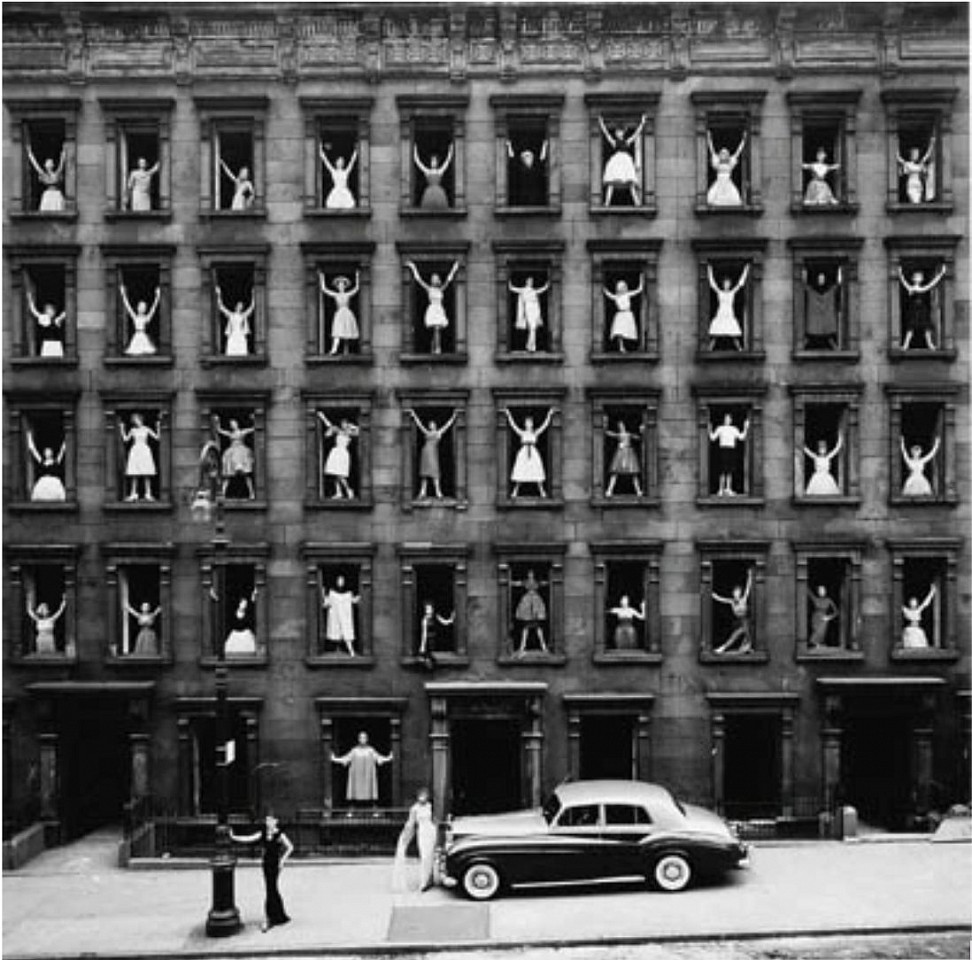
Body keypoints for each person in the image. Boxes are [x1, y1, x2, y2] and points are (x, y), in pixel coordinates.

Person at [229, 813, 293, 932]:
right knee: (272, 889)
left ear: (276, 821)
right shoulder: (263, 833)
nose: (268, 822)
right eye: (267, 820)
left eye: (270, 820)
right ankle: (278, 915)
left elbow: (290, 847)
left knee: (271, 889)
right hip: (266, 864)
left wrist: (282, 861)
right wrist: (234, 837)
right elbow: (249, 838)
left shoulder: (279, 834)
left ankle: (269, 918)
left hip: (275, 865)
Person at [406, 261, 459, 355]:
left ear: (438, 280)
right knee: (436, 329)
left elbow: (449, 279)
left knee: (437, 329)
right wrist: (413, 267)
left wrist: (454, 268)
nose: (433, 280)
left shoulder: (441, 289)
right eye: (432, 278)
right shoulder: (429, 289)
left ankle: (435, 347)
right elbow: (419, 280)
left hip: (439, 309)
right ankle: (436, 348)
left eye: (435, 278)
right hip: (433, 309)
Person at [331, 731, 393, 809]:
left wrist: (388, 758)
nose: (362, 739)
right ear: (358, 739)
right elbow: (345, 759)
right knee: (354, 790)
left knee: (370, 790)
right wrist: (335, 759)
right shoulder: (354, 750)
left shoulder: (371, 750)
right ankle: (352, 807)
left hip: (368, 777)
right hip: (357, 777)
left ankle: (373, 806)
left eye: (364, 737)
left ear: (367, 739)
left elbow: (379, 759)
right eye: (361, 737)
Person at [393, 788, 437, 893]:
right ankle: (423, 882)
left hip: (431, 830)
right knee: (424, 856)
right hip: (422, 832)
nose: (423, 797)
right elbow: (410, 823)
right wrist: (405, 835)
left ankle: (429, 879)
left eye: (425, 795)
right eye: (421, 795)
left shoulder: (430, 806)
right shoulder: (414, 809)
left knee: (431, 855)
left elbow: (434, 819)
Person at [407, 408, 457, 499]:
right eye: (430, 424)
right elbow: (420, 425)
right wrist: (414, 415)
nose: (431, 425)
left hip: (433, 453)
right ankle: (423, 492)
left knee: (434, 472)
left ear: (435, 426)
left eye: (433, 424)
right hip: (425, 453)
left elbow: (447, 425)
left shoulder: (438, 433)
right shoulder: (427, 432)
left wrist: (454, 416)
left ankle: (438, 492)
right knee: (424, 473)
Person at [505, 407, 555, 498]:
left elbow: (544, 426)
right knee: (520, 471)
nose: (528, 424)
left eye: (530, 422)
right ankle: (515, 491)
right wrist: (508, 415)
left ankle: (542, 491)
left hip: (533, 453)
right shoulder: (522, 433)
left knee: (536, 470)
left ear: (532, 424)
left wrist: (549, 415)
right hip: (524, 453)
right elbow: (513, 426)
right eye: (527, 422)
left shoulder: (535, 433)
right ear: (525, 424)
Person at [598, 114, 646, 205]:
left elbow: (636, 134)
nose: (619, 134)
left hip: (625, 161)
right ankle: (607, 202)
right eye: (618, 132)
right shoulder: (615, 142)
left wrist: (642, 123)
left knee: (630, 182)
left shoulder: (626, 142)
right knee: (611, 181)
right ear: (616, 134)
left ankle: (637, 202)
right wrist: (601, 123)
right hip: (617, 161)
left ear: (623, 133)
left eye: (621, 132)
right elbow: (606, 134)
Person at [899, 265, 946, 350]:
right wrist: (900, 274)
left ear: (922, 279)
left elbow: (932, 284)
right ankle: (906, 345)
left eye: (920, 277)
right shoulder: (911, 288)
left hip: (922, 310)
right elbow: (904, 283)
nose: (918, 278)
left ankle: (930, 344)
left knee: (926, 328)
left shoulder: (921, 288)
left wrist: (941, 274)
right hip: (913, 310)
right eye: (916, 277)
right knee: (910, 328)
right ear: (913, 278)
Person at [119, 412, 160, 502]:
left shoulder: (146, 429)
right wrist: (122, 429)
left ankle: (148, 493)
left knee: (146, 472)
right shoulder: (133, 430)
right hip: (135, 450)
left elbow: (157, 437)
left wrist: (158, 427)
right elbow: (126, 439)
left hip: (144, 450)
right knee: (135, 473)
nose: (136, 422)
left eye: (137, 420)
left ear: (140, 420)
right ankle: (133, 493)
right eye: (134, 421)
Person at [707, 263, 749, 351]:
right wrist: (709, 269)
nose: (726, 285)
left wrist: (746, 270)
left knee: (733, 334)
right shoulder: (719, 292)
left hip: (729, 313)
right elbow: (712, 283)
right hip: (721, 313)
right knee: (716, 334)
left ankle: (740, 349)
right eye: (725, 283)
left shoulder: (732, 293)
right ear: (723, 284)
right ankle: (709, 349)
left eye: (728, 283)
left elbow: (740, 283)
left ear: (730, 284)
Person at [318, 412, 358, 499]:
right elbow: (329, 425)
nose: (343, 425)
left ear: (347, 424)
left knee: (341, 475)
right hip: (336, 452)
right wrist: (323, 417)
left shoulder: (349, 432)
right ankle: (338, 492)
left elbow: (359, 431)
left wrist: (352, 426)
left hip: (343, 453)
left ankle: (349, 489)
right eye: (342, 423)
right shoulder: (338, 430)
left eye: (345, 423)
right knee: (335, 473)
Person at [712, 570, 753, 654]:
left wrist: (750, 576)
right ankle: (725, 648)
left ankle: (724, 648)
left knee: (742, 633)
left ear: (740, 594)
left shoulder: (743, 599)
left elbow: (748, 587)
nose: (736, 595)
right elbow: (721, 599)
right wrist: (713, 594)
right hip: (738, 623)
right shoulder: (731, 602)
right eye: (735, 593)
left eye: (738, 593)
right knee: (736, 634)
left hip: (746, 621)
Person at [709, 413, 749, 496]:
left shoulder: (734, 429)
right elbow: (713, 438)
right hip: (723, 450)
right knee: (722, 471)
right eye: (725, 418)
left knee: (730, 471)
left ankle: (728, 489)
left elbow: (741, 437)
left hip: (731, 450)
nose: (727, 420)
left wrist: (746, 427)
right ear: (724, 419)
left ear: (731, 420)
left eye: (728, 419)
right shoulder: (720, 428)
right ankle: (720, 489)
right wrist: (709, 429)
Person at [215, 416, 255, 499]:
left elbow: (253, 429)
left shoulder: (242, 432)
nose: (233, 426)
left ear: (237, 424)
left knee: (246, 475)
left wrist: (253, 419)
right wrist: (217, 421)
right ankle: (223, 493)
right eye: (231, 425)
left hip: (241, 453)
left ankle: (251, 493)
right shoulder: (230, 434)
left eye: (234, 424)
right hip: (232, 453)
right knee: (228, 475)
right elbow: (219, 430)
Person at [319, 272, 360, 355]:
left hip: (347, 314)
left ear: (345, 286)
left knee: (347, 332)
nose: (341, 286)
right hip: (339, 314)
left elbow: (356, 288)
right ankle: (334, 349)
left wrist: (357, 277)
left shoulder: (347, 294)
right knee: (337, 331)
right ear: (337, 287)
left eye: (342, 285)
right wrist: (322, 278)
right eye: (339, 285)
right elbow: (324, 289)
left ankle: (346, 351)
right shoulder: (336, 295)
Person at [509, 275, 550, 353]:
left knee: (533, 328)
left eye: (532, 281)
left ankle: (531, 346)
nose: (531, 282)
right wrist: (509, 282)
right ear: (526, 282)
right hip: (528, 308)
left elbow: (541, 290)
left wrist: (546, 285)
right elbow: (513, 289)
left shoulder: (534, 291)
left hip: (535, 309)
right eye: (530, 281)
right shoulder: (523, 290)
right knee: (532, 327)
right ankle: (531, 346)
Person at [705, 129, 746, 206]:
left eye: (725, 154)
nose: (723, 155)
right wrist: (709, 139)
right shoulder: (717, 163)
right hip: (719, 181)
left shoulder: (730, 163)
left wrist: (743, 141)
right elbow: (712, 150)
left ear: (727, 155)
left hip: (727, 181)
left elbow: (738, 152)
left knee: (732, 197)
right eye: (722, 153)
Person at [803, 268, 841, 350]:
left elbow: (838, 285)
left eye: (823, 278)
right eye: (819, 278)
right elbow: (803, 286)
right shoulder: (810, 291)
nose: (821, 280)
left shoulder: (831, 291)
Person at [512, 569, 548, 655]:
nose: (530, 575)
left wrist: (546, 582)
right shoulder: (526, 582)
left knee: (538, 628)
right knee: (526, 628)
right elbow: (519, 583)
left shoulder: (536, 582)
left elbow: (543, 583)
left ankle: (544, 647)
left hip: (535, 605)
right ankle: (522, 647)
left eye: (531, 574)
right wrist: (512, 583)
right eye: (529, 574)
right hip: (528, 605)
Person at [322, 575, 359, 656]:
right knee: (336, 632)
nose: (340, 582)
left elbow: (354, 600)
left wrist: (359, 598)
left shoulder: (348, 594)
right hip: (336, 618)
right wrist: (323, 595)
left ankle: (350, 650)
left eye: (342, 580)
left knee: (347, 633)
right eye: (339, 580)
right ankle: (337, 648)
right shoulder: (332, 594)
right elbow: (325, 604)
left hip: (345, 617)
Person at [603, 278, 644, 352]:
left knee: (628, 331)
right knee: (619, 332)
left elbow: (639, 290)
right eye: (620, 288)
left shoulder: (627, 294)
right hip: (620, 315)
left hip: (627, 314)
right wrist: (604, 288)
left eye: (623, 287)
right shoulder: (616, 297)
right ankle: (621, 347)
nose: (622, 289)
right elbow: (609, 295)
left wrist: (641, 279)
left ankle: (631, 346)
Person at [120, 284, 161, 357]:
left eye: (143, 307)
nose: (141, 309)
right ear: (137, 308)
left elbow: (153, 309)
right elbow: (128, 306)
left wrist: (157, 297)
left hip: (143, 336)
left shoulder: (146, 318)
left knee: (145, 352)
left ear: (145, 309)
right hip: (136, 337)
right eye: (140, 307)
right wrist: (123, 294)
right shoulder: (135, 317)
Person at [605, 421, 643, 497]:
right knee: (615, 472)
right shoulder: (619, 435)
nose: (621, 427)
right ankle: (609, 490)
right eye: (619, 426)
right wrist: (604, 428)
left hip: (628, 453)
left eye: (622, 425)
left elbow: (637, 437)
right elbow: (611, 434)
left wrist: (642, 431)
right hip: (621, 453)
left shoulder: (628, 434)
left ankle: (638, 490)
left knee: (633, 473)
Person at [506, 136, 548, 206]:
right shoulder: (519, 169)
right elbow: (512, 158)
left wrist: (544, 146)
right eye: (525, 156)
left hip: (535, 197)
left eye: (529, 156)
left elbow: (542, 159)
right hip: (522, 196)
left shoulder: (536, 168)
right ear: (522, 159)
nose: (528, 158)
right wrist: (509, 146)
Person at [26, 430, 66, 502]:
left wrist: (65, 438)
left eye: (49, 451)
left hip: (54, 483)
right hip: (43, 483)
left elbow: (62, 451)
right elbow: (33, 450)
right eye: (46, 452)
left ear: (52, 453)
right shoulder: (42, 462)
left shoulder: (56, 462)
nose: (47, 453)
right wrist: (29, 436)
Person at [216, 284, 255, 357]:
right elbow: (221, 306)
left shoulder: (243, 315)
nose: (240, 307)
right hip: (233, 334)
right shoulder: (231, 315)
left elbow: (252, 307)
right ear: (236, 306)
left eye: (241, 306)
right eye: (239, 305)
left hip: (240, 334)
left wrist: (253, 295)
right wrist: (219, 294)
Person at [26, 290, 66, 358]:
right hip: (47, 344)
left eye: (51, 310)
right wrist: (30, 300)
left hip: (56, 344)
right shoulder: (44, 319)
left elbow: (65, 313)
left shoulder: (57, 320)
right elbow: (34, 312)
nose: (49, 311)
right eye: (48, 309)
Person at [26, 143, 66, 211]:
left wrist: (64, 152)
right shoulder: (44, 175)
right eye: (47, 163)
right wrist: (30, 154)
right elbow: (36, 165)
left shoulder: (57, 173)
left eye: (50, 163)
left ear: (53, 165)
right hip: (48, 194)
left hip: (56, 194)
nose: (49, 164)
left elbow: (61, 164)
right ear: (45, 165)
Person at [413, 143, 453, 209]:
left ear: (437, 162)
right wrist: (415, 150)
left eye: (434, 161)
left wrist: (450, 151)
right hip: (428, 194)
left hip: (439, 194)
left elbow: (447, 161)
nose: (433, 163)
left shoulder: (440, 171)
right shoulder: (427, 172)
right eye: (432, 161)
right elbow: (418, 162)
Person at [897, 136, 935, 204]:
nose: (916, 155)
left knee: (918, 202)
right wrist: (895, 144)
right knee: (914, 201)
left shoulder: (920, 164)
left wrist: (931, 144)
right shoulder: (908, 164)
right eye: (914, 154)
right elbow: (899, 158)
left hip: (918, 185)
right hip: (911, 185)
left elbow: (927, 155)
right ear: (911, 155)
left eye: (917, 154)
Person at [417, 602, 454, 670]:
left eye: (430, 609)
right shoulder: (425, 620)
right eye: (427, 609)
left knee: (434, 654)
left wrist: (451, 619)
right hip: (428, 640)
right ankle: (428, 666)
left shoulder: (435, 616)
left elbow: (444, 622)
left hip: (434, 639)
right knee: (428, 655)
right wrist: (422, 646)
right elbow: (424, 633)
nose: (429, 611)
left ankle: (431, 665)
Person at [222, 586, 258, 656]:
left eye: (246, 604)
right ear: (239, 603)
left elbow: (253, 608)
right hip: (235, 635)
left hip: (246, 635)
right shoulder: (233, 613)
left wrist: (254, 596)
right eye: (243, 603)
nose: (245, 605)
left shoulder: (248, 613)